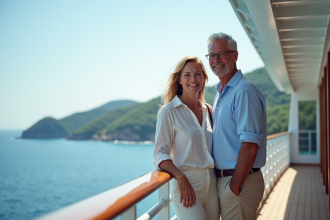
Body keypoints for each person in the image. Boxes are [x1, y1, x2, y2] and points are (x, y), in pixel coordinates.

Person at [206, 32, 267, 220]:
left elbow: (250, 144)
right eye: (212, 56)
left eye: (222, 54)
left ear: (235, 55)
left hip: (239, 182)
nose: (216, 60)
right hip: (225, 181)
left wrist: (235, 185)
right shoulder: (220, 93)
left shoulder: (244, 91)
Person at [153, 55, 220, 220]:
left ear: (204, 78)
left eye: (198, 74)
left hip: (212, 183)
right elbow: (160, 153)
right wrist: (180, 177)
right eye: (187, 75)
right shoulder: (169, 112)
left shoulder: (208, 111)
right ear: (180, 80)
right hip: (186, 184)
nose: (193, 79)